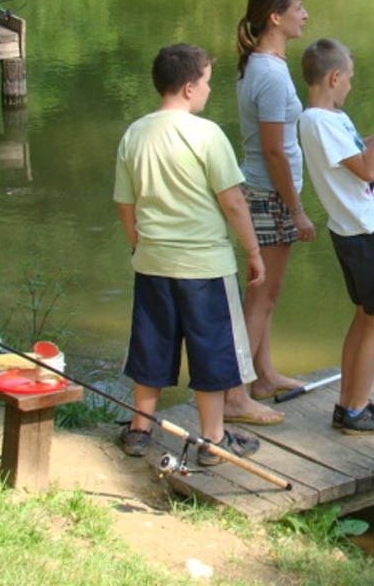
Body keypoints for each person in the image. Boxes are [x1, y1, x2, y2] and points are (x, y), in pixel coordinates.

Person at [113, 43, 267, 464]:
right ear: (186, 87)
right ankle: (213, 438)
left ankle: (139, 428)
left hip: (153, 264)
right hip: (205, 268)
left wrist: (137, 245)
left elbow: (126, 206)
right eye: (206, 83)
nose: (208, 90)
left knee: (151, 346)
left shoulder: (134, 134)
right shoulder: (206, 134)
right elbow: (233, 201)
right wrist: (253, 251)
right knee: (212, 350)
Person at [297, 38, 374, 435]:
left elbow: (359, 155)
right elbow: (366, 171)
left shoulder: (328, 119)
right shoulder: (317, 121)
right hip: (364, 231)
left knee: (366, 316)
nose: (350, 85)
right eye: (348, 78)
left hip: (356, 229)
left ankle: (348, 404)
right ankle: (356, 410)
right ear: (333, 77)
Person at [225, 0, 314, 423]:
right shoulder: (271, 75)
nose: (305, 15)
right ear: (275, 17)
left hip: (262, 193)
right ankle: (235, 395)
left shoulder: (260, 67)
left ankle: (263, 375)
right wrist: (296, 209)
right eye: (298, 7)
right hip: (268, 196)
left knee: (267, 292)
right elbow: (274, 150)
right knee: (260, 297)